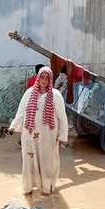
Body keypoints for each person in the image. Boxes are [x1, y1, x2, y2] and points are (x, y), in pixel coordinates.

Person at [9, 67, 69, 195]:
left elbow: (62, 117)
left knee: (47, 160)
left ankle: (46, 188)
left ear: (50, 80)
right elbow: (21, 112)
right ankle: (28, 188)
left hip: (48, 135)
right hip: (29, 134)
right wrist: (13, 126)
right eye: (42, 77)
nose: (44, 80)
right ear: (38, 78)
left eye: (47, 78)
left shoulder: (56, 96)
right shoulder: (29, 93)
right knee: (29, 159)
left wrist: (62, 136)